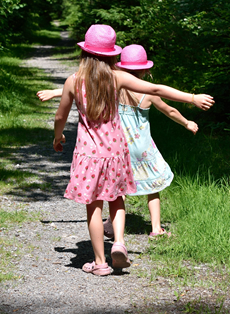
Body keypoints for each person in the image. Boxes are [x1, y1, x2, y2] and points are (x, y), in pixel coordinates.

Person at [48, 24, 214, 276]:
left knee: (93, 206)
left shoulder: (73, 81)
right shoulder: (117, 78)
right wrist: (192, 98)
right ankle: (119, 243)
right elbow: (156, 89)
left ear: (85, 53)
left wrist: (58, 136)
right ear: (113, 55)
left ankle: (100, 263)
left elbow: (60, 115)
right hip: (116, 151)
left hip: (88, 154)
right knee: (116, 199)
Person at [39, 44, 201, 240]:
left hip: (116, 146)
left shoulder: (112, 85)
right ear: (145, 69)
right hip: (141, 148)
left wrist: (56, 92)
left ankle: (110, 226)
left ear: (121, 65)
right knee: (154, 188)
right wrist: (188, 117)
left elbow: (85, 85)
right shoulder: (137, 89)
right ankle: (155, 228)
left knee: (115, 190)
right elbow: (169, 109)